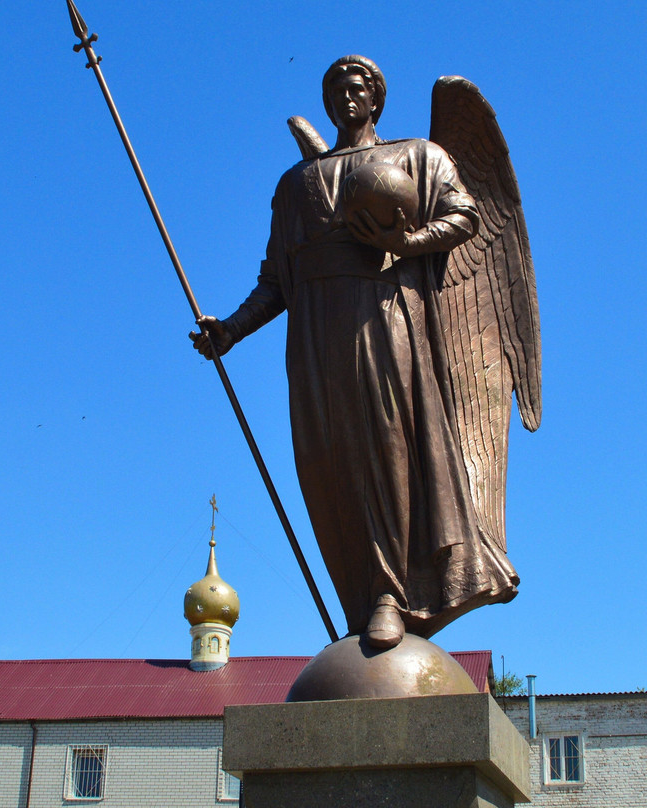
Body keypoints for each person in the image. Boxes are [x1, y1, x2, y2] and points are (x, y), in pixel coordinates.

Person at [192, 56, 519, 648]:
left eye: (358, 87)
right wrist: (231, 331)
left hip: (384, 318)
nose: (347, 96)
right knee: (328, 464)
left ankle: (393, 592)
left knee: (384, 448)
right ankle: (360, 597)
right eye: (337, 88)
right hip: (315, 337)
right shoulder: (295, 185)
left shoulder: (416, 156)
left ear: (377, 99)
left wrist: (407, 241)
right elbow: (275, 279)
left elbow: (466, 213)